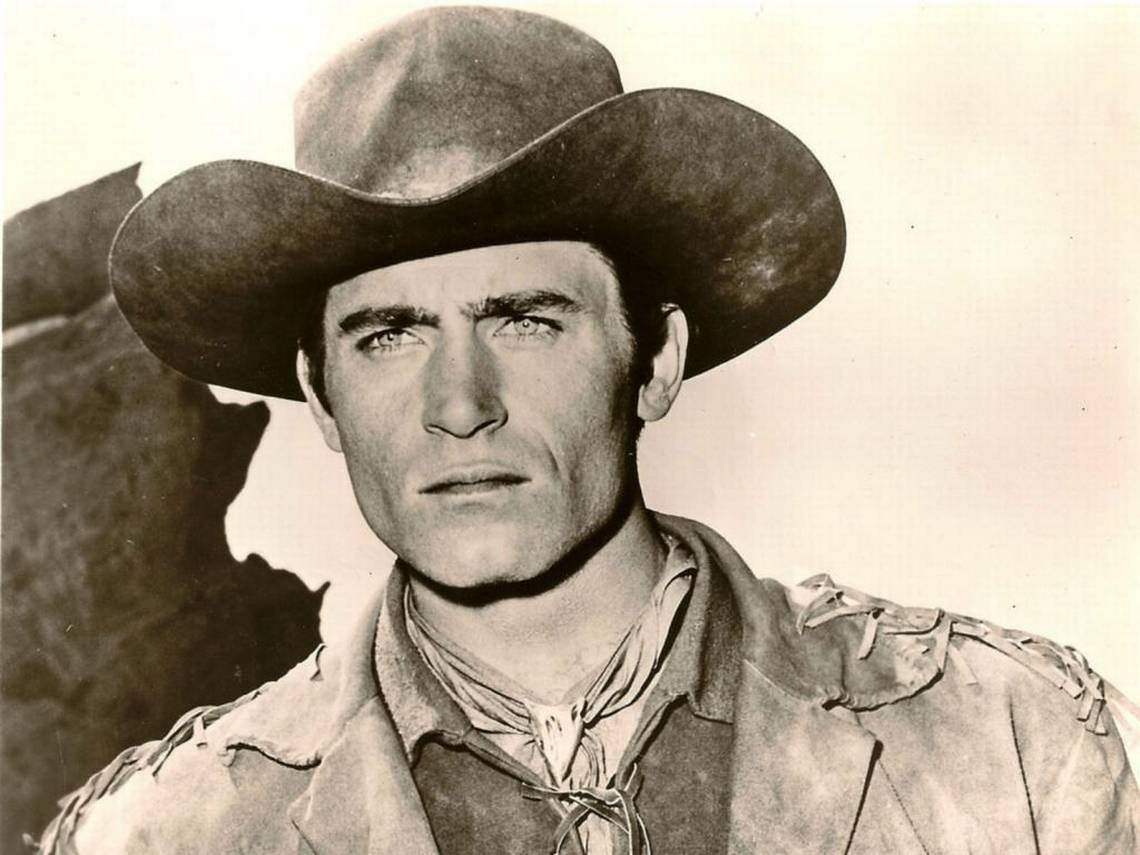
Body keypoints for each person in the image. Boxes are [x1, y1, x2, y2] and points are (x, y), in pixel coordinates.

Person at [37, 7, 1138, 854]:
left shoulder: (1009, 748)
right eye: (389, 336)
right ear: (320, 399)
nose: (460, 404)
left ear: (654, 362)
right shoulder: (169, 833)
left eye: (524, 320)